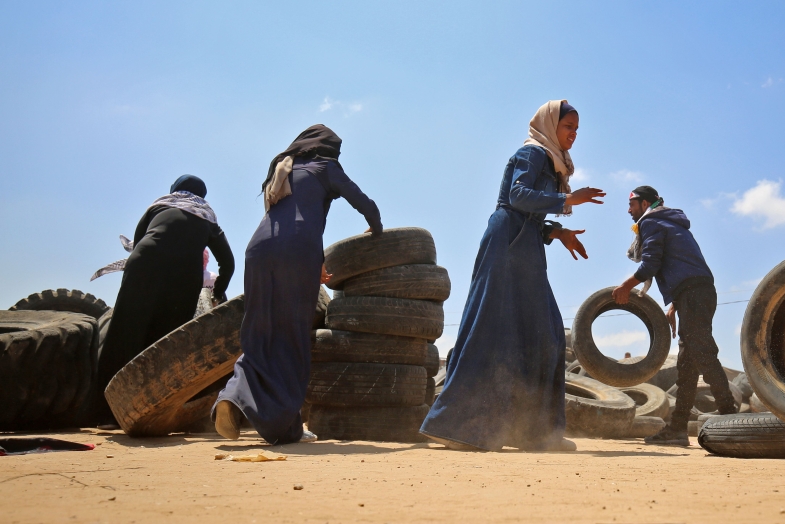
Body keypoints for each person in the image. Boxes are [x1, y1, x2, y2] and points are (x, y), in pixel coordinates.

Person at [421, 100, 605, 452]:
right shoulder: (533, 153)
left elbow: (531, 214)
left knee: (545, 333)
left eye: (577, 129)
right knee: (493, 328)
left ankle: (535, 433)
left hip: (526, 244)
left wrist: (556, 232)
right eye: (568, 127)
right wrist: (569, 201)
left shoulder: (552, 163)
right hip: (507, 244)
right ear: (551, 126)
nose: (574, 135)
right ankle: (454, 426)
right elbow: (517, 197)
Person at [214, 125, 382, 445]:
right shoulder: (326, 166)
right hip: (297, 253)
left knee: (259, 333)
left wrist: (315, 260)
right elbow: (362, 201)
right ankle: (285, 428)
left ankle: (231, 396)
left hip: (258, 250)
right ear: (328, 149)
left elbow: (293, 217)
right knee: (292, 339)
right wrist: (376, 228)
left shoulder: (283, 168)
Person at [96, 175, 235, 423]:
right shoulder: (206, 216)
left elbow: (138, 241)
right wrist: (217, 292)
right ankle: (151, 411)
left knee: (124, 333)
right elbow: (228, 262)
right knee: (164, 342)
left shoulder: (159, 205)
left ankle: (101, 411)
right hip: (182, 278)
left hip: (145, 264)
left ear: (175, 189)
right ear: (202, 194)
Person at [611, 185, 736, 446]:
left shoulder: (651, 222)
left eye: (632, 204)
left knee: (703, 353)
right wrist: (676, 304)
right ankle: (678, 429)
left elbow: (651, 264)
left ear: (645, 204)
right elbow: (684, 263)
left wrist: (625, 286)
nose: (628, 210)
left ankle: (730, 418)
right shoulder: (669, 222)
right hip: (694, 292)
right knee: (687, 366)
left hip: (693, 294)